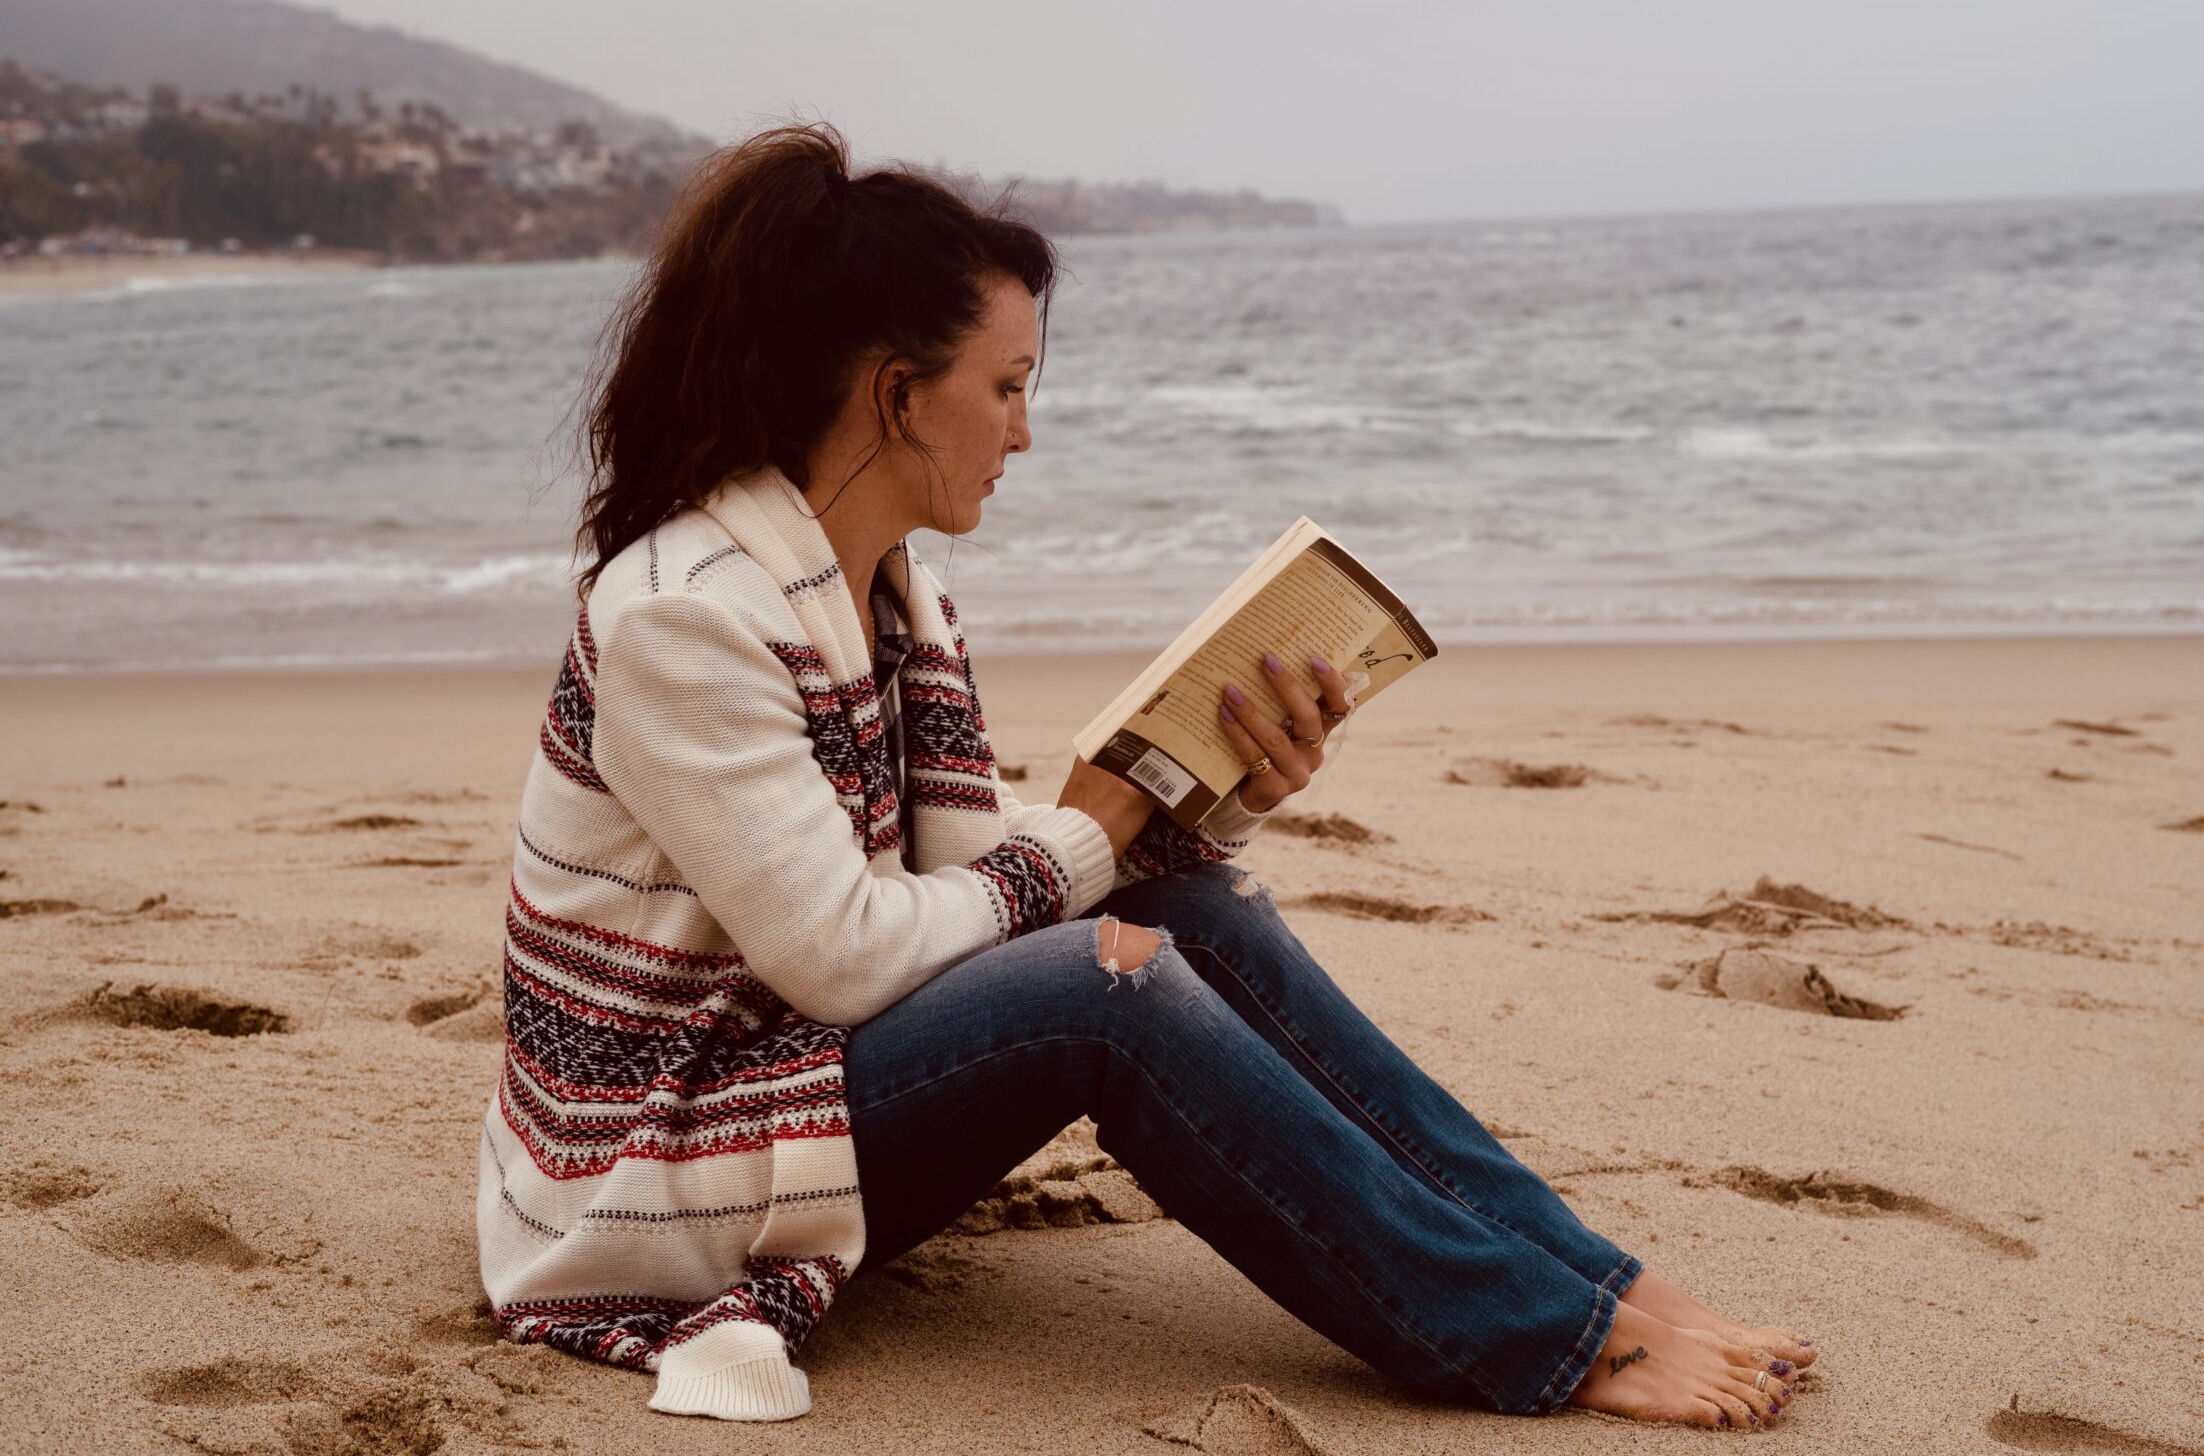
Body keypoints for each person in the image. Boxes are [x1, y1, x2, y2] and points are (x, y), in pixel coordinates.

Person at [473, 122, 1816, 1429]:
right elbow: (843, 953)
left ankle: (1595, 1282)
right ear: (898, 394)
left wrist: (1199, 801)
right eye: (1007, 388)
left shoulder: (889, 592)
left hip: (791, 1083)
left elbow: (957, 880)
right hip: (650, 1170)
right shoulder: (683, 617)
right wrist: (1082, 834)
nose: (1023, 433)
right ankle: (1533, 1333)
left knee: (1197, 911)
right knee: (1104, 988)